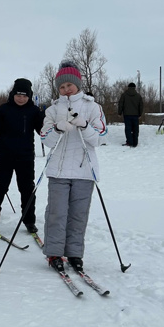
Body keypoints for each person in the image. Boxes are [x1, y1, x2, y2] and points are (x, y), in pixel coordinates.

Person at [39, 60, 107, 273]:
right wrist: (59, 128)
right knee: (57, 213)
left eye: (69, 85)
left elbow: (100, 138)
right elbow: (46, 139)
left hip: (84, 171)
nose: (66, 89)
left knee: (78, 214)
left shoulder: (92, 107)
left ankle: (75, 254)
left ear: (78, 84)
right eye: (62, 86)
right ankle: (54, 253)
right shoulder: (53, 109)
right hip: (58, 171)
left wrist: (84, 126)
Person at [0, 78, 44, 234]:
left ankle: (29, 221)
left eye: (24, 96)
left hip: (25, 156)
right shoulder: (5, 109)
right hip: (5, 155)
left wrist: (45, 119)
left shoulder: (33, 111)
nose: (21, 98)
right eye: (18, 95)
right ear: (13, 94)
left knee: (27, 189)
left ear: (29, 96)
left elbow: (42, 131)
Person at [117, 82, 144, 147]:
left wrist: (119, 113)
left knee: (128, 129)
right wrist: (140, 114)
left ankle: (129, 142)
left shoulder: (124, 95)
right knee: (135, 129)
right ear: (135, 88)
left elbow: (121, 104)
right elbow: (141, 106)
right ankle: (135, 142)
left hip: (127, 115)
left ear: (128, 87)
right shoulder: (138, 96)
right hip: (136, 115)